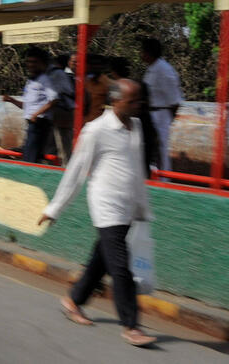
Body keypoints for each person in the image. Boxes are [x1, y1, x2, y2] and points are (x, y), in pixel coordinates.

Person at [38, 79, 157, 348]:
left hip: (127, 206)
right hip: (106, 204)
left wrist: (141, 206)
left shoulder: (135, 125)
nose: (139, 105)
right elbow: (76, 172)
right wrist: (54, 208)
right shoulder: (96, 130)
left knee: (101, 260)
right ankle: (132, 326)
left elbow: (136, 169)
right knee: (120, 267)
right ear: (116, 100)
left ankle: (73, 301)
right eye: (133, 101)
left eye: (140, 100)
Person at [3, 47, 58, 163]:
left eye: (34, 62)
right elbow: (28, 106)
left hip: (40, 124)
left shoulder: (45, 80)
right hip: (33, 124)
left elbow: (54, 100)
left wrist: (36, 114)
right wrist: (12, 100)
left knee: (30, 158)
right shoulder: (31, 81)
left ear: (43, 64)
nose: (30, 65)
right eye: (28, 61)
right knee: (30, 156)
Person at [110, 57, 158, 177]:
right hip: (145, 131)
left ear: (113, 72)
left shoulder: (116, 89)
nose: (136, 105)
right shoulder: (140, 86)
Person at [141, 38, 182, 174]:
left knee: (162, 149)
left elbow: (175, 100)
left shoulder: (164, 70)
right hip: (150, 114)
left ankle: (165, 180)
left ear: (148, 53)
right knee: (151, 148)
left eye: (143, 51)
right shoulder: (151, 69)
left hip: (161, 114)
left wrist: (168, 119)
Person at [47, 55, 74, 165]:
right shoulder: (60, 74)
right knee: (63, 143)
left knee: (53, 143)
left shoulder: (48, 73)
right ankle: (65, 167)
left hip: (52, 112)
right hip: (62, 112)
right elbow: (70, 91)